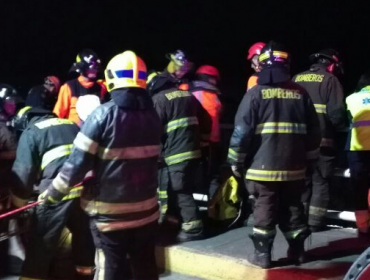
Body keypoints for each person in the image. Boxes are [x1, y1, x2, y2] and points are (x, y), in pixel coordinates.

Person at [41, 51, 162, 280]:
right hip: (147, 212)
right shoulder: (153, 116)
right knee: (145, 266)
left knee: (111, 268)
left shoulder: (101, 115)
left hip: (110, 214)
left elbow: (76, 164)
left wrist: (53, 194)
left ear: (112, 77)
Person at [228, 41, 321, 268]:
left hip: (262, 169)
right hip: (295, 168)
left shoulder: (255, 94)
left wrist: (235, 161)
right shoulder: (301, 93)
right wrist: (309, 160)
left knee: (264, 209)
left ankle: (263, 256)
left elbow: (241, 132)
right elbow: (314, 131)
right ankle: (298, 252)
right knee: (293, 208)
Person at [10, 106, 96, 280]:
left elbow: (23, 172)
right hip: (84, 191)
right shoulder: (71, 124)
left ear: (25, 121)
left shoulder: (31, 132)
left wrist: (18, 204)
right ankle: (85, 273)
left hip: (55, 194)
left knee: (41, 243)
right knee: (84, 237)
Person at [152, 67, 211, 242]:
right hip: (194, 153)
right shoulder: (188, 96)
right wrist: (203, 141)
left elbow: (153, 129)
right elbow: (206, 119)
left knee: (179, 191)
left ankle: (193, 228)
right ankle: (173, 224)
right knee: (181, 188)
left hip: (174, 155)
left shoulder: (159, 100)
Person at [293, 49, 347, 231]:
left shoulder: (297, 78)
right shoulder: (330, 80)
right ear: (331, 65)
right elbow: (336, 113)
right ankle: (315, 222)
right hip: (322, 142)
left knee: (302, 181)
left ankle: (298, 219)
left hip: (296, 142)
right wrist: (343, 130)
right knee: (321, 180)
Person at [190, 65, 222, 197]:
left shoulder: (187, 90)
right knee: (212, 175)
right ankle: (212, 208)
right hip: (210, 142)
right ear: (211, 79)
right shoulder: (211, 96)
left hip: (189, 141)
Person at [53, 49, 108, 125]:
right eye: (92, 68)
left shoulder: (100, 87)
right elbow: (58, 114)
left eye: (96, 67)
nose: (95, 70)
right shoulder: (69, 87)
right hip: (74, 132)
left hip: (95, 132)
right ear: (82, 67)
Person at [345, 71, 370, 234]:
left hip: (357, 149)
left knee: (359, 190)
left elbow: (345, 121)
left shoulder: (351, 99)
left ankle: (363, 228)